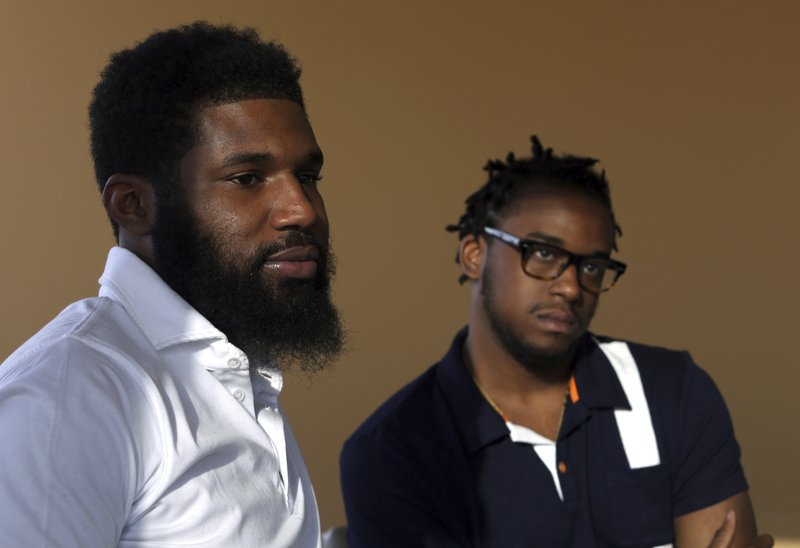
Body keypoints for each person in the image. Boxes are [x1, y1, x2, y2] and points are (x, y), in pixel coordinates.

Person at [0, 22, 345, 547]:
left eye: (309, 178)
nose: (301, 209)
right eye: (247, 178)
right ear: (134, 206)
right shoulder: (71, 393)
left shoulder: (237, 368)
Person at [340, 136, 771, 547]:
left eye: (593, 267)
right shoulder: (392, 452)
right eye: (543, 253)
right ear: (475, 255)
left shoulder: (672, 392)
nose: (571, 287)